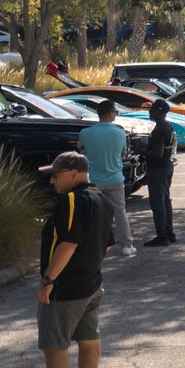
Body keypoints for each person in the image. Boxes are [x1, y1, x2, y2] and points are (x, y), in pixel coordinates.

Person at [26, 152, 110, 368]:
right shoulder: (101, 198)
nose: (52, 181)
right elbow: (107, 243)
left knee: (54, 345)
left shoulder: (72, 200)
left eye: (56, 174)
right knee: (88, 338)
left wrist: (48, 280)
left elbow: (68, 243)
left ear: (74, 173)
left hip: (67, 286)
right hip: (91, 283)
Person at [77, 100, 136, 257]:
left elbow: (80, 150)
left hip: (94, 179)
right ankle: (126, 245)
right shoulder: (120, 133)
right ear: (110, 113)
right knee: (119, 211)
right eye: (115, 112)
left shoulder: (85, 133)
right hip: (115, 178)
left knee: (93, 213)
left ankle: (94, 245)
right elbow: (123, 153)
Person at [143, 100, 178, 247]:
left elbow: (158, 153)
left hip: (158, 168)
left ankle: (162, 235)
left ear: (160, 111)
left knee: (157, 202)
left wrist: (142, 150)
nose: (150, 112)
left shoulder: (159, 130)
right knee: (165, 200)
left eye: (152, 110)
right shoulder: (167, 126)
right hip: (166, 166)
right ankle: (169, 233)